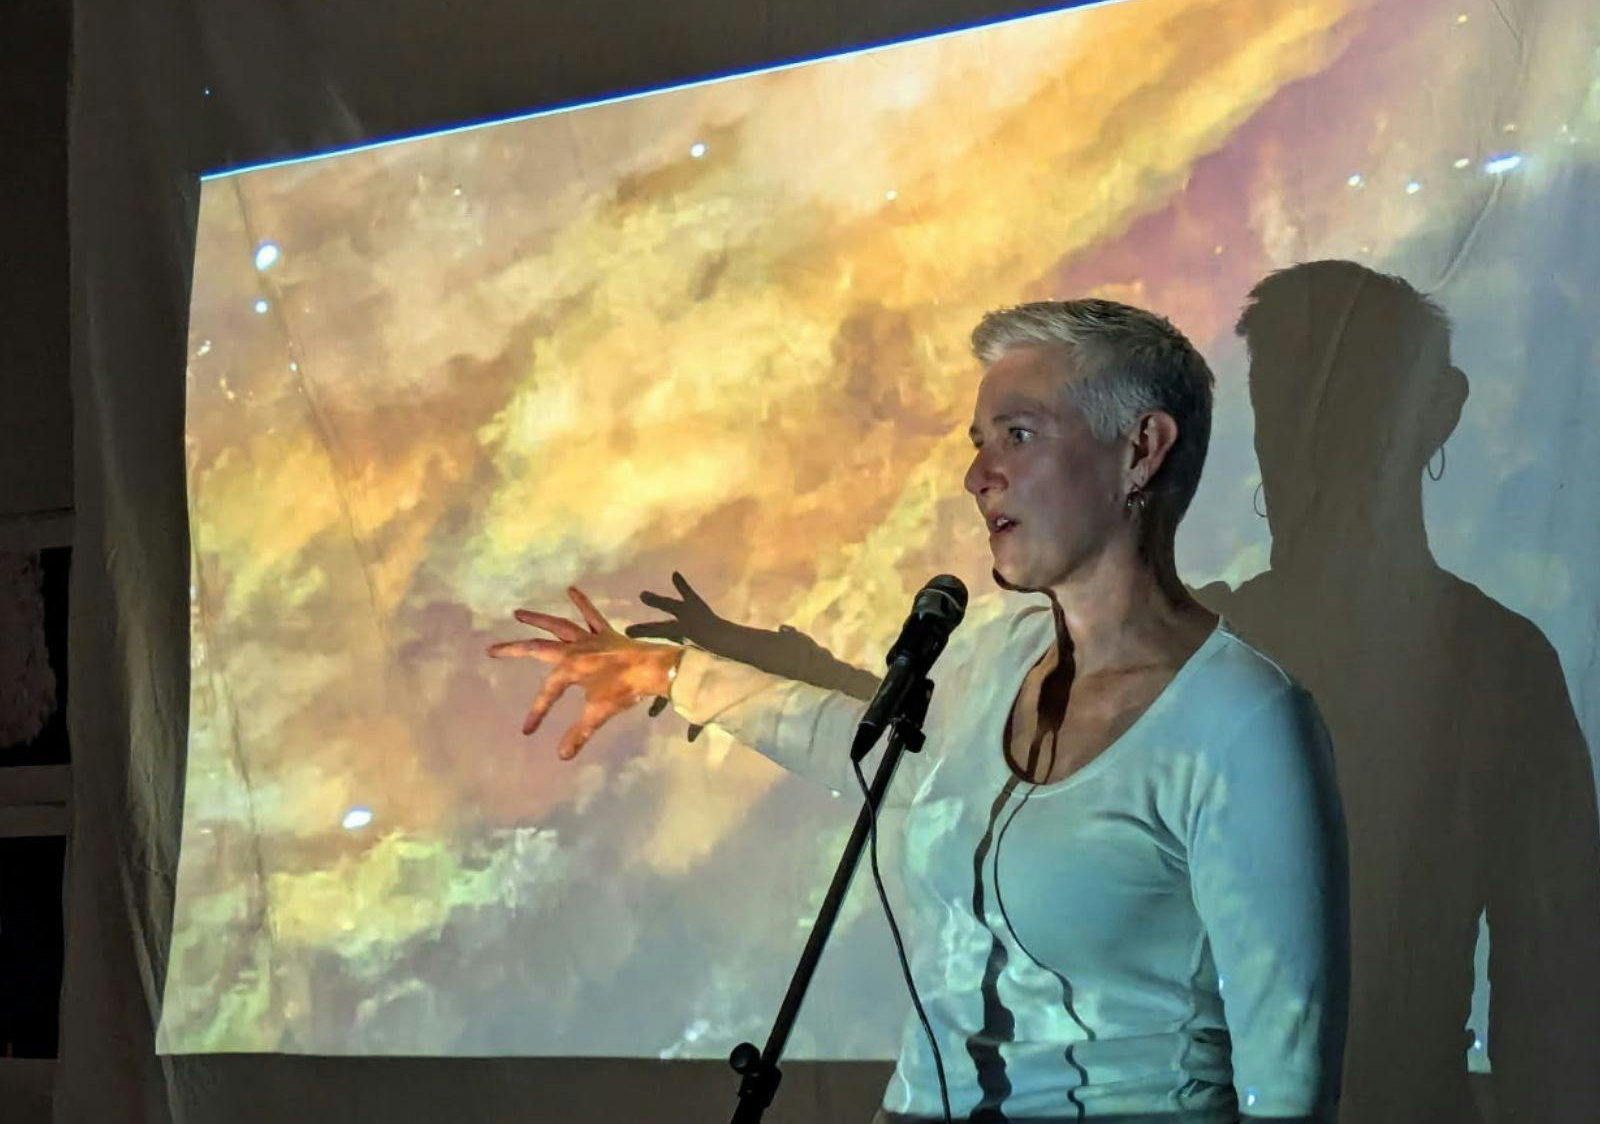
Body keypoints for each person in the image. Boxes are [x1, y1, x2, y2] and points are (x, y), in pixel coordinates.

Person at [489, 299, 1349, 1122]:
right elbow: (864, 749)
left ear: (1141, 449)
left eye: (1018, 435)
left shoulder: (1241, 720)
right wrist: (671, 670)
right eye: (979, 445)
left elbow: (1290, 1078)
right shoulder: (990, 656)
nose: (978, 476)